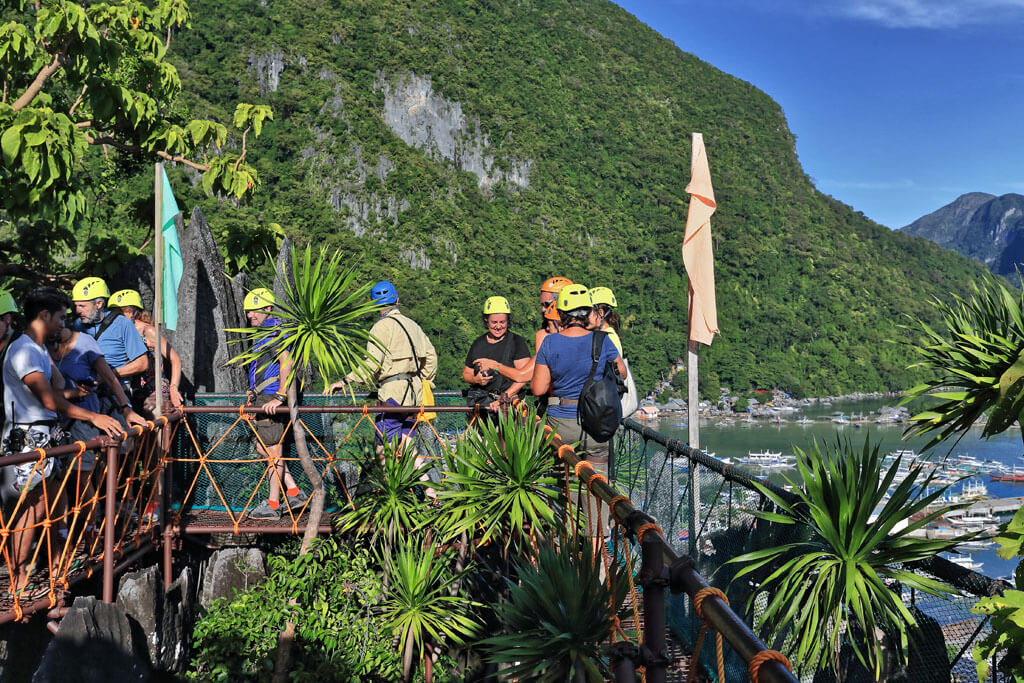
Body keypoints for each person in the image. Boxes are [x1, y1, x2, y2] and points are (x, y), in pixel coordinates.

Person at [2, 288, 122, 596]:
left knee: (57, 504)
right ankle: (19, 583)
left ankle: (58, 569)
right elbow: (48, 398)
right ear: (44, 316)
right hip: (29, 437)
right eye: (59, 317)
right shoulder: (25, 350)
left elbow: (55, 389)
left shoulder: (39, 349)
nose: (63, 323)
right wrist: (93, 417)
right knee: (32, 509)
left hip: (47, 435)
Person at [530, 283, 626, 535]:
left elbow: (538, 388)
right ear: (588, 313)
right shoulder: (603, 341)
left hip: (561, 424)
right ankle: (597, 553)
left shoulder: (550, 343)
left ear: (561, 314)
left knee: (564, 487)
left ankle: (566, 550)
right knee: (597, 485)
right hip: (596, 424)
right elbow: (622, 374)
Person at [330, 280, 437, 455]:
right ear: (397, 300)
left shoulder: (380, 327)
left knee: (383, 448)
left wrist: (345, 381)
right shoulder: (413, 325)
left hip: (392, 394)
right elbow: (431, 357)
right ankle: (426, 483)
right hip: (414, 395)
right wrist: (423, 379)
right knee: (407, 446)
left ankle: (384, 482)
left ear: (374, 305)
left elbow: (372, 363)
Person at [241, 288, 307, 520]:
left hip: (270, 398)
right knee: (265, 449)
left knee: (273, 452)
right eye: (248, 312)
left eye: (255, 312)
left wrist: (279, 396)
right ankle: (294, 491)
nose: (250, 316)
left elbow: (285, 362)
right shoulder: (265, 332)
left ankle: (273, 504)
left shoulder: (272, 331)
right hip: (263, 397)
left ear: (268, 309)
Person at [70, 277, 150, 421]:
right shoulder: (78, 325)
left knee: (119, 439)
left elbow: (142, 363)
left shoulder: (123, 324)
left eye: (82, 306)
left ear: (99, 304)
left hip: (116, 393)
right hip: (85, 393)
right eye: (76, 305)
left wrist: (109, 374)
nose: (77, 310)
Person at [109, 289, 184, 411]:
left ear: (132, 312)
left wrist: (173, 388)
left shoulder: (148, 331)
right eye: (113, 312)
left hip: (153, 392)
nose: (115, 317)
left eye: (120, 312)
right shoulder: (115, 333)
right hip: (129, 390)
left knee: (152, 421)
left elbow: (175, 359)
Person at [462, 296, 531, 419]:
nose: (498, 327)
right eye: (494, 322)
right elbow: (466, 373)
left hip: (510, 405)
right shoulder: (478, 343)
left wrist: (504, 398)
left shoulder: (516, 342)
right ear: (486, 321)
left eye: (502, 322)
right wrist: (476, 379)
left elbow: (524, 377)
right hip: (483, 406)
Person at [587, 286, 622, 354]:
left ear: (601, 313)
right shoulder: (603, 335)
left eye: (588, 312)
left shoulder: (608, 338)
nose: (584, 317)